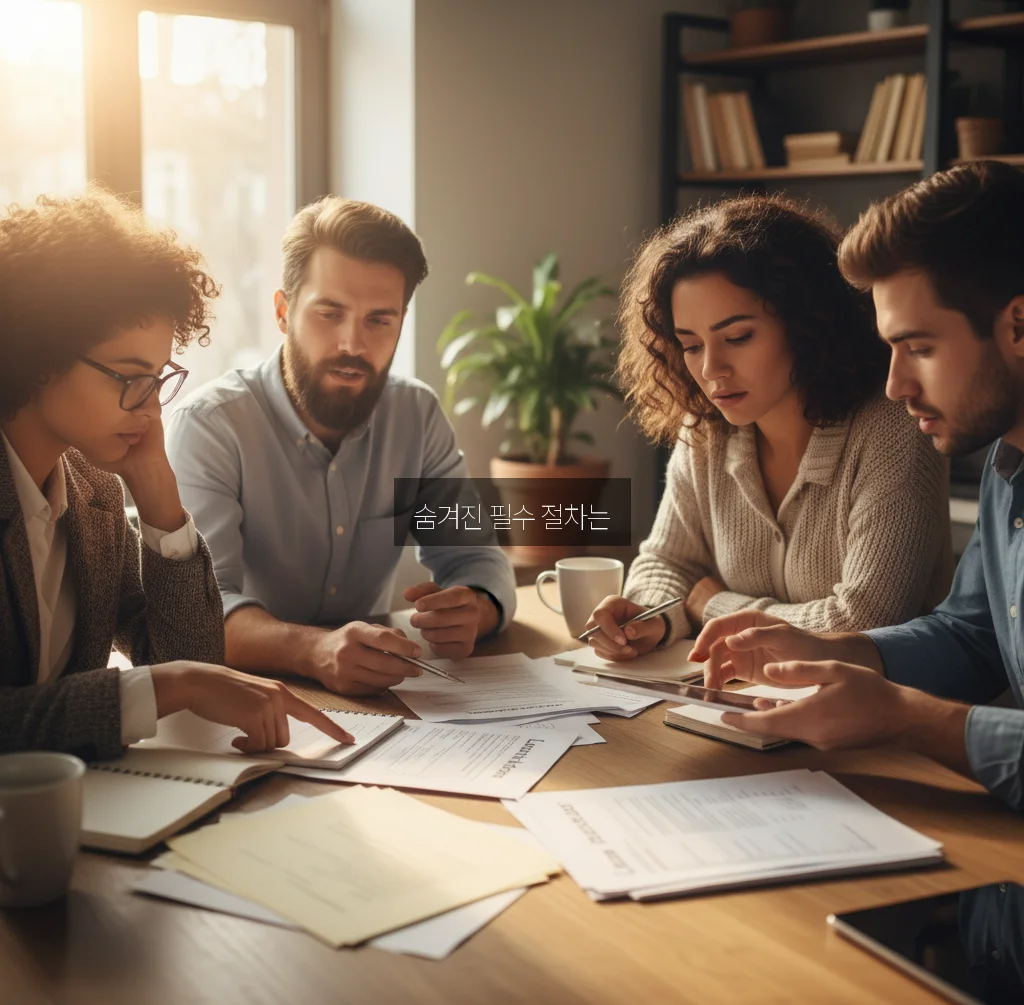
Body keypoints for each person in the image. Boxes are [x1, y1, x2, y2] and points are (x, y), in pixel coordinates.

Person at [692, 161, 1024, 812]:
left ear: (1018, 326)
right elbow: (975, 633)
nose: (896, 385)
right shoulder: (1006, 459)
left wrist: (906, 717)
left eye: (919, 347)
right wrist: (836, 650)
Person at [0, 190, 353, 759]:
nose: (150, 406)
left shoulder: (91, 494)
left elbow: (187, 656)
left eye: (158, 378)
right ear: (40, 354)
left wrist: (160, 498)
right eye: (129, 376)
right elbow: (176, 680)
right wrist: (172, 685)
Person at [165, 197, 516, 696]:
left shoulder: (416, 415)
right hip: (250, 700)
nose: (352, 343)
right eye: (329, 313)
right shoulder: (210, 427)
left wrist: (476, 608)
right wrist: (313, 649)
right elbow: (197, 612)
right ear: (284, 312)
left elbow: (478, 558)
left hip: (382, 699)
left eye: (379, 320)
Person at [584, 195, 950, 660]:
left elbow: (863, 622)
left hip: (873, 717)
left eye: (738, 338)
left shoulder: (893, 429)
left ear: (806, 323)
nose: (712, 369)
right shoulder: (706, 430)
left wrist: (714, 606)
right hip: (743, 699)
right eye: (691, 346)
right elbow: (668, 561)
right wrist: (648, 618)